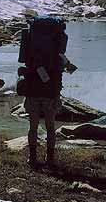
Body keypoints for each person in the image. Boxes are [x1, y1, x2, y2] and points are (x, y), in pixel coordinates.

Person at [18, 15, 76, 170]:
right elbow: (66, 64)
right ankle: (50, 159)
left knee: (33, 126)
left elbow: (24, 61)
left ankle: (32, 158)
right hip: (51, 91)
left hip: (32, 90)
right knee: (51, 127)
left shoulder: (31, 47)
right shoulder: (58, 50)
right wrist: (67, 66)